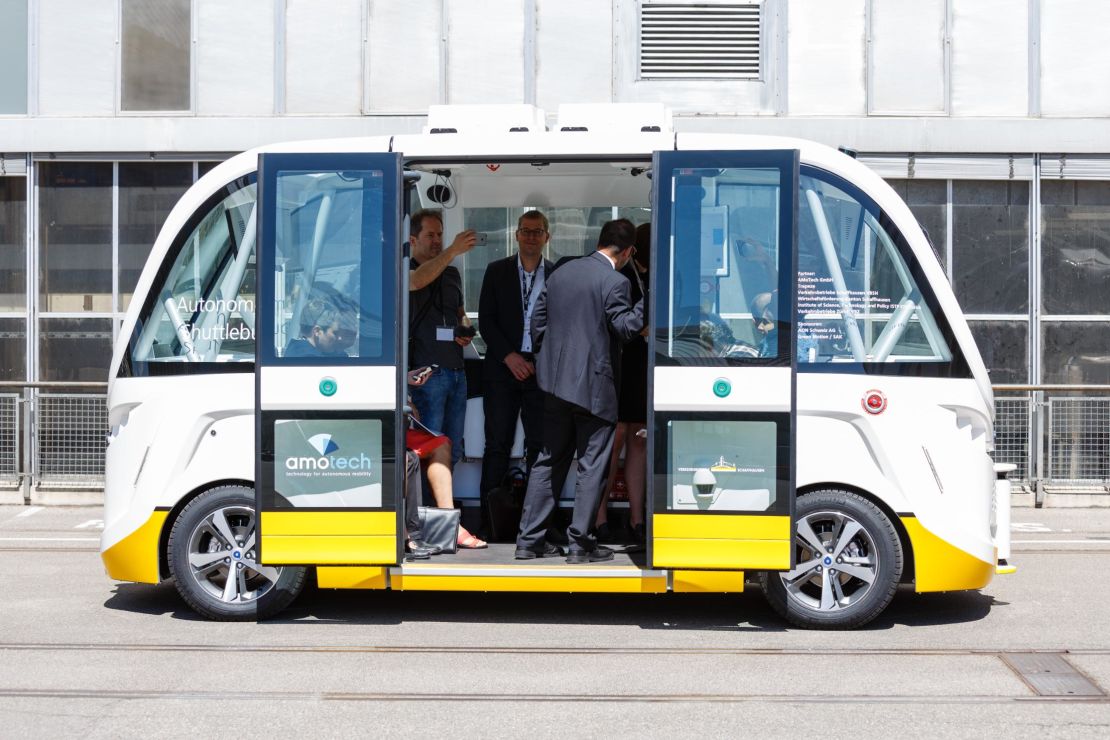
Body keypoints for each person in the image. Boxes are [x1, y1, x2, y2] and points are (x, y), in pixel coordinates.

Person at [515, 219, 645, 564]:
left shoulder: (561, 273)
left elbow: (537, 322)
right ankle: (580, 544)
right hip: (595, 390)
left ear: (600, 241)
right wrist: (651, 300)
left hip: (554, 387)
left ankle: (529, 541)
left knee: (547, 462)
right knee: (592, 466)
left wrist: (550, 365)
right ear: (628, 252)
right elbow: (626, 327)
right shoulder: (615, 281)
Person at [477, 210, 554, 538]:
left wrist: (541, 358)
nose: (531, 237)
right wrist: (509, 357)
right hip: (501, 368)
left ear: (547, 237)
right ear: (517, 235)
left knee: (539, 447)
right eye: (526, 231)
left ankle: (535, 526)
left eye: (538, 232)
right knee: (497, 445)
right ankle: (489, 524)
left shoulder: (556, 273)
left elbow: (561, 322)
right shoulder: (496, 271)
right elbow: (486, 321)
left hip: (540, 371)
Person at [594, 222, 650, 545]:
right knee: (613, 442)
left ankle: (636, 518)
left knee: (639, 441)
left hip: (643, 366)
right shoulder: (620, 275)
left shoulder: (658, 274)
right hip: (619, 363)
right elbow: (618, 324)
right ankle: (599, 517)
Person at [407, 209, 477, 467]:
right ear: (413, 239)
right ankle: (422, 507)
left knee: (453, 448)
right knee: (427, 448)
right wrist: (452, 250)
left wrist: (466, 329)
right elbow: (416, 282)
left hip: (457, 372)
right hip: (426, 374)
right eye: (431, 235)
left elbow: (461, 314)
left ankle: (442, 505)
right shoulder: (405, 268)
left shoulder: (452, 273)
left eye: (440, 234)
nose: (437, 240)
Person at [405, 368, 486, 552]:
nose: (345, 337)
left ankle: (450, 524)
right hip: (377, 428)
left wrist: (406, 380)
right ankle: (409, 531)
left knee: (441, 443)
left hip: (401, 425)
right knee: (404, 457)